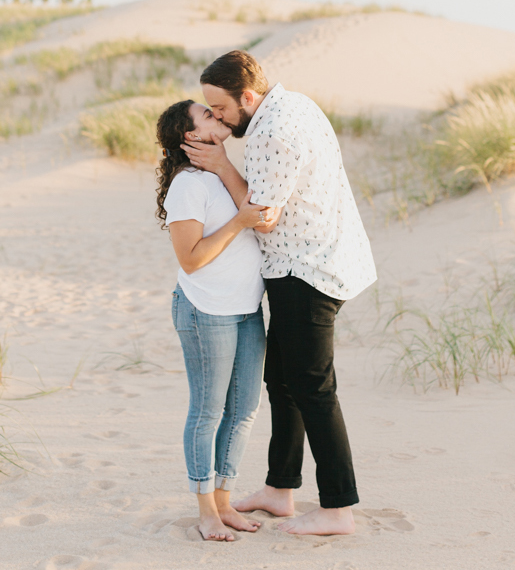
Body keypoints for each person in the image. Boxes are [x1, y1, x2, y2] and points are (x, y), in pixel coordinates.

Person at [183, 49, 377, 536]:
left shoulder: (272, 130)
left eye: (222, 109)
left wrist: (222, 165)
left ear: (247, 96)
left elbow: (263, 217)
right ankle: (279, 488)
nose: (220, 117)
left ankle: (337, 509)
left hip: (307, 270)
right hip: (318, 258)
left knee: (312, 388)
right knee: (283, 382)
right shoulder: (294, 103)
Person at [156, 99, 270, 542]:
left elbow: (260, 216)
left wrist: (240, 203)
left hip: (246, 309)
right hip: (206, 311)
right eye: (207, 115)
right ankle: (206, 511)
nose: (217, 116)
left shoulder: (222, 173)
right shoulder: (188, 185)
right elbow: (191, 259)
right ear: (190, 137)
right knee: (208, 411)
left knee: (244, 410)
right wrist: (239, 223)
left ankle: (226, 502)